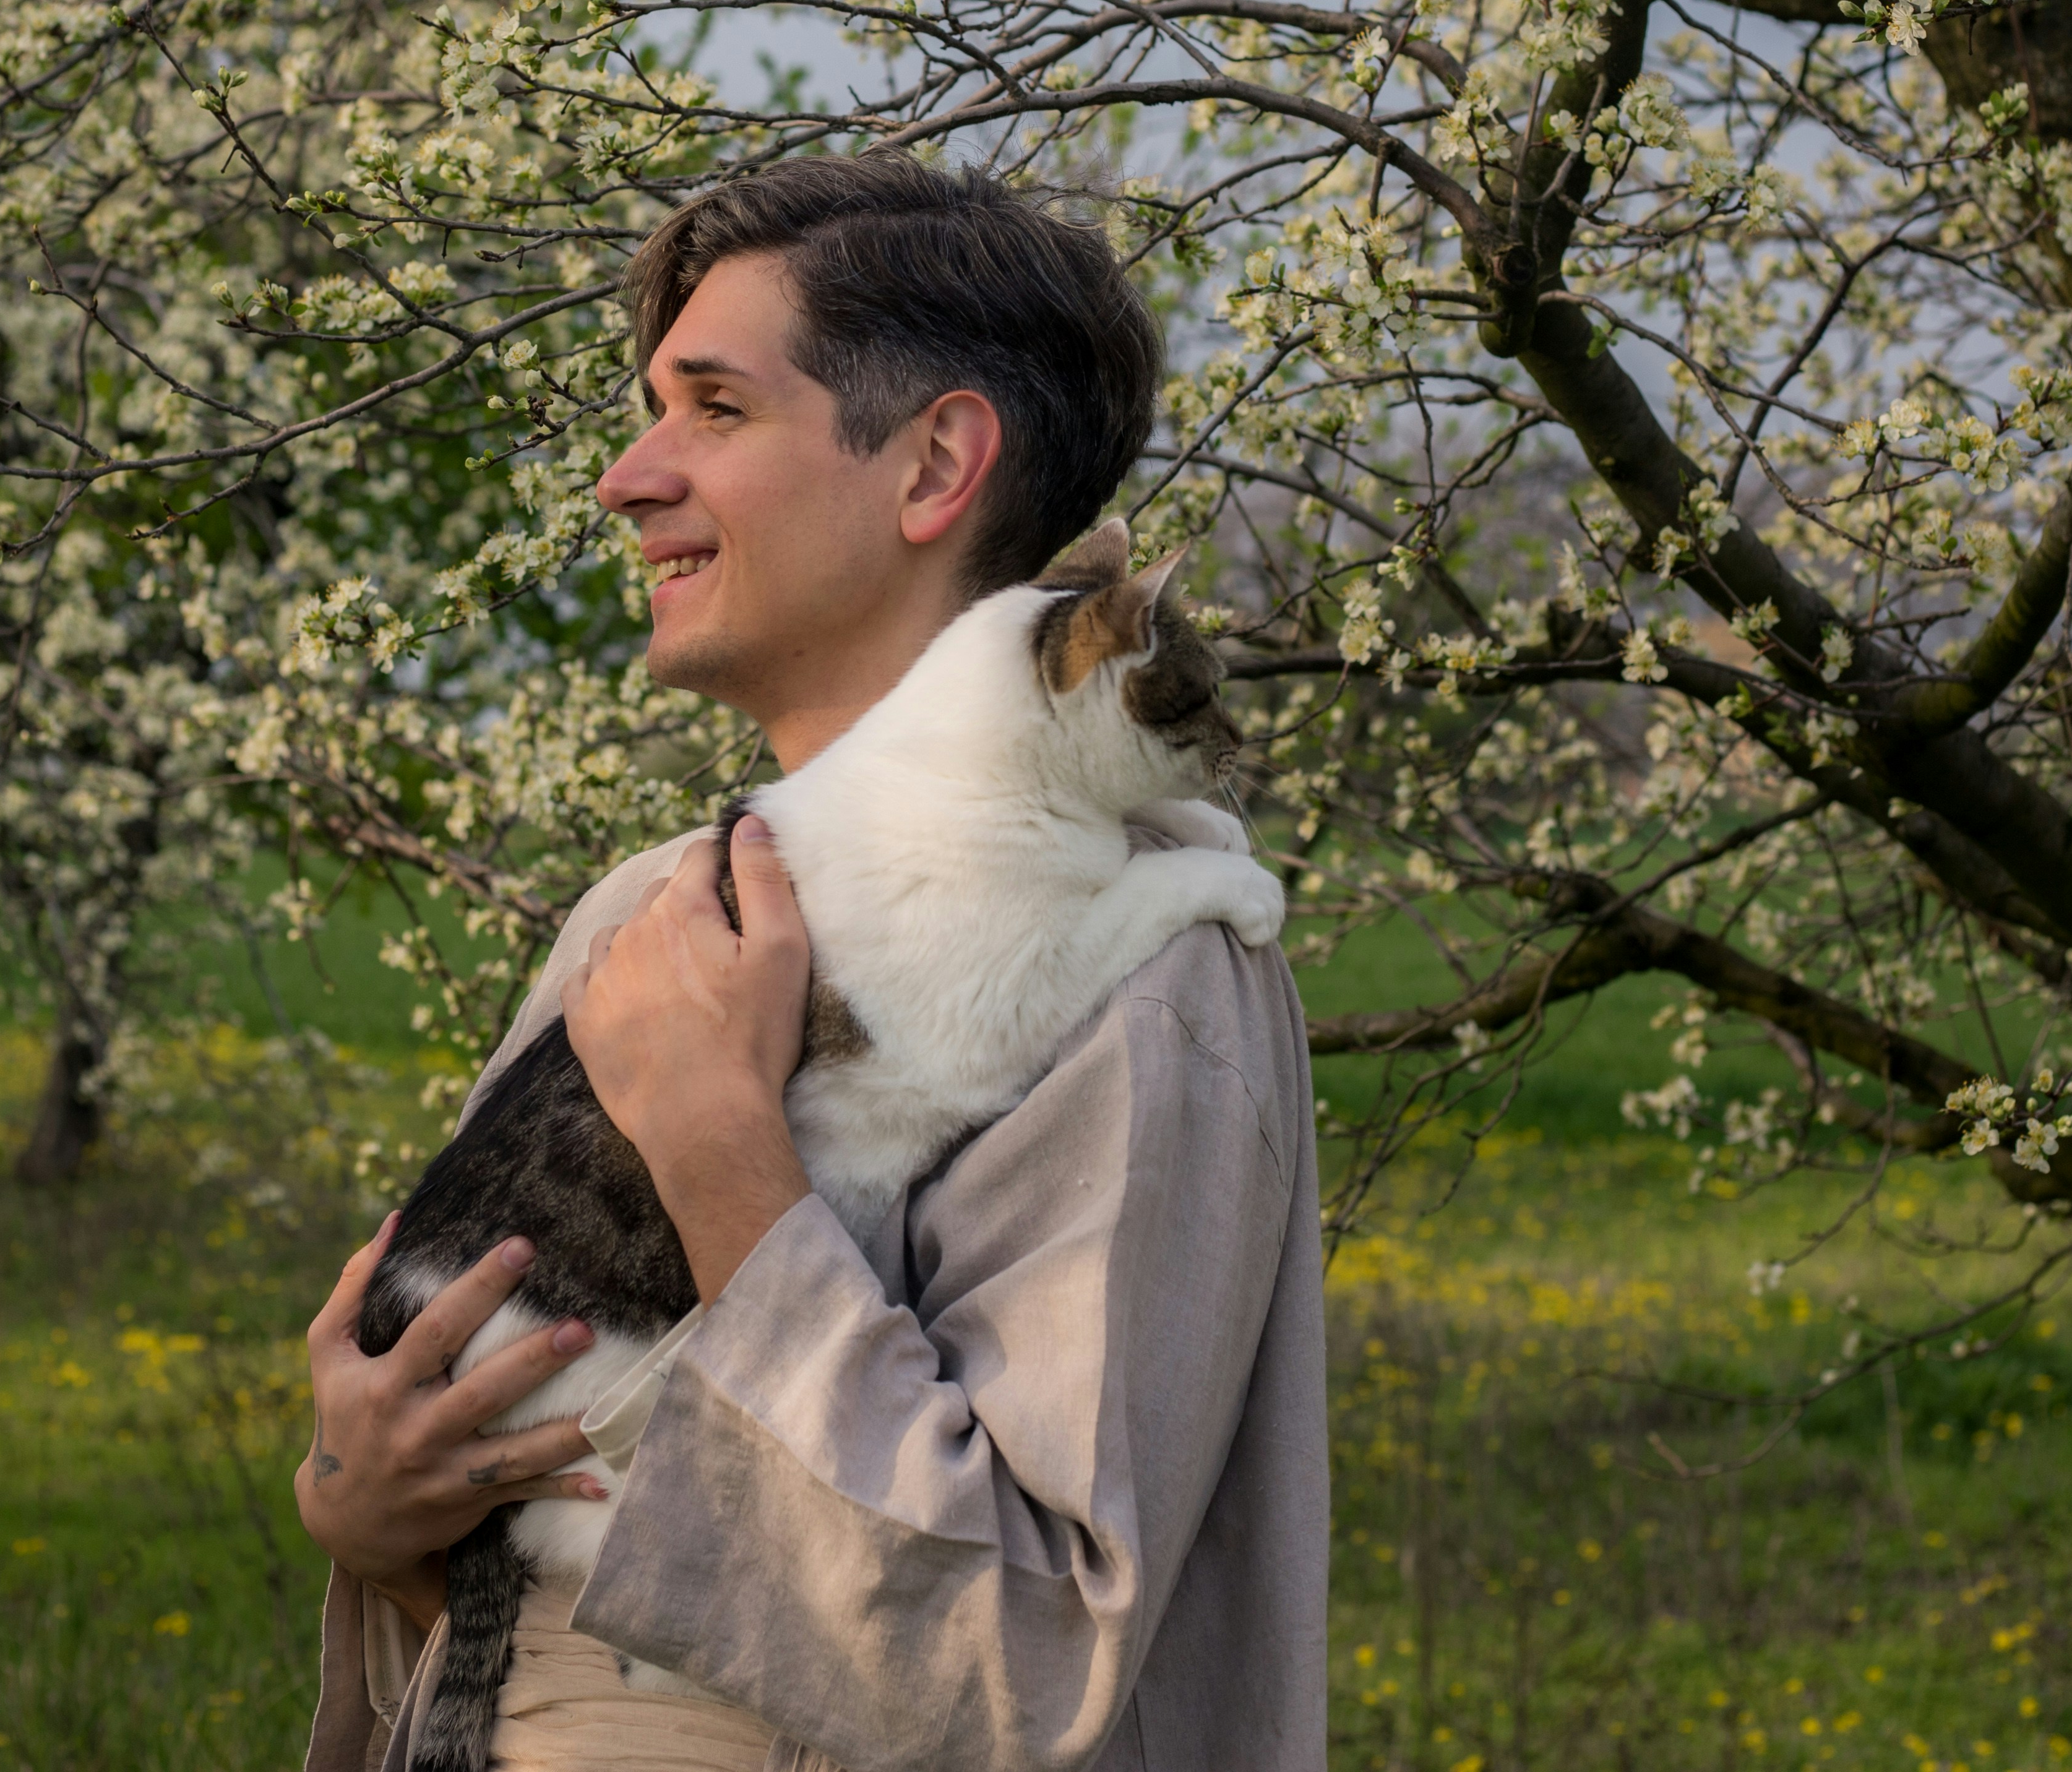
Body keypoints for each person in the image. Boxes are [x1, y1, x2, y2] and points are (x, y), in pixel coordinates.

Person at [294, 155, 1329, 1772]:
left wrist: (722, 1155)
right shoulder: (653, 914)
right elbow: (532, 1601)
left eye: (713, 409)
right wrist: (368, 1511)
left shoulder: (1148, 976)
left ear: (935, 464)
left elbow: (1018, 1669)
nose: (627, 479)